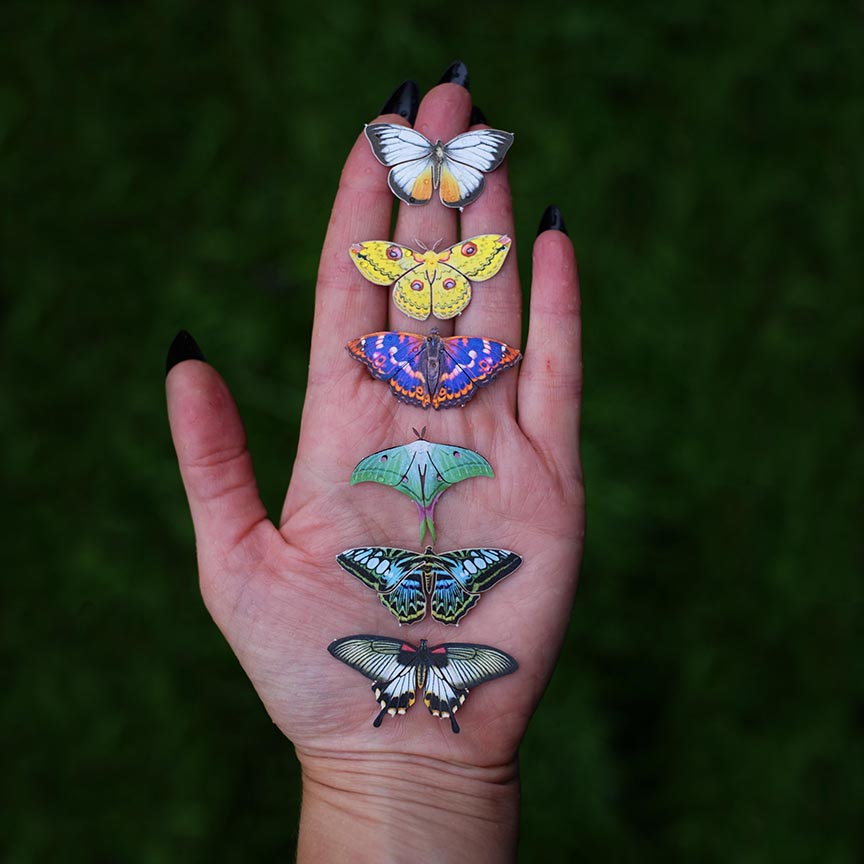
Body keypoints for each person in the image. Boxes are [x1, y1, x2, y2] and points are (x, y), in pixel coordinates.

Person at [165, 61, 584, 862]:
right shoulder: (443, 623)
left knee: (432, 577)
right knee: (443, 581)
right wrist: (395, 776)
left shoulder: (392, 623)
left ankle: (417, 701)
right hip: (435, 603)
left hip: (415, 601)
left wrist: (375, 775)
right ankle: (431, 705)